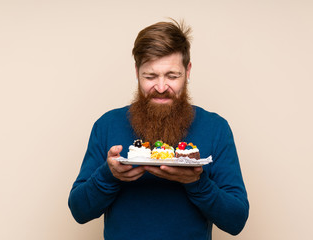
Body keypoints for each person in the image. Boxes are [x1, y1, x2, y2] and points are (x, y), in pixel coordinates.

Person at [68, 19, 249, 240]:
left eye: (172, 76)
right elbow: (79, 211)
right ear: (136, 72)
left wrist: (196, 183)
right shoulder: (107, 125)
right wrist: (109, 175)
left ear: (188, 70)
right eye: (150, 76)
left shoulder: (216, 128)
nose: (161, 88)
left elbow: (236, 220)